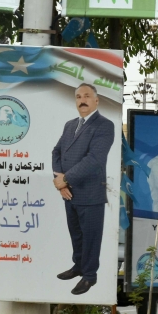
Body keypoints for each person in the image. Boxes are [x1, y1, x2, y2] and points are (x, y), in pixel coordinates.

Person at [52, 83, 115, 295]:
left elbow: (94, 160)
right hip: (69, 194)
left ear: (97, 100)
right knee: (76, 235)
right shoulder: (70, 125)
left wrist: (65, 179)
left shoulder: (105, 126)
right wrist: (60, 182)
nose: (82, 100)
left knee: (90, 237)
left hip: (90, 194)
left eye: (87, 96)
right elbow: (56, 152)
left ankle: (89, 276)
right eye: (78, 96)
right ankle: (78, 266)